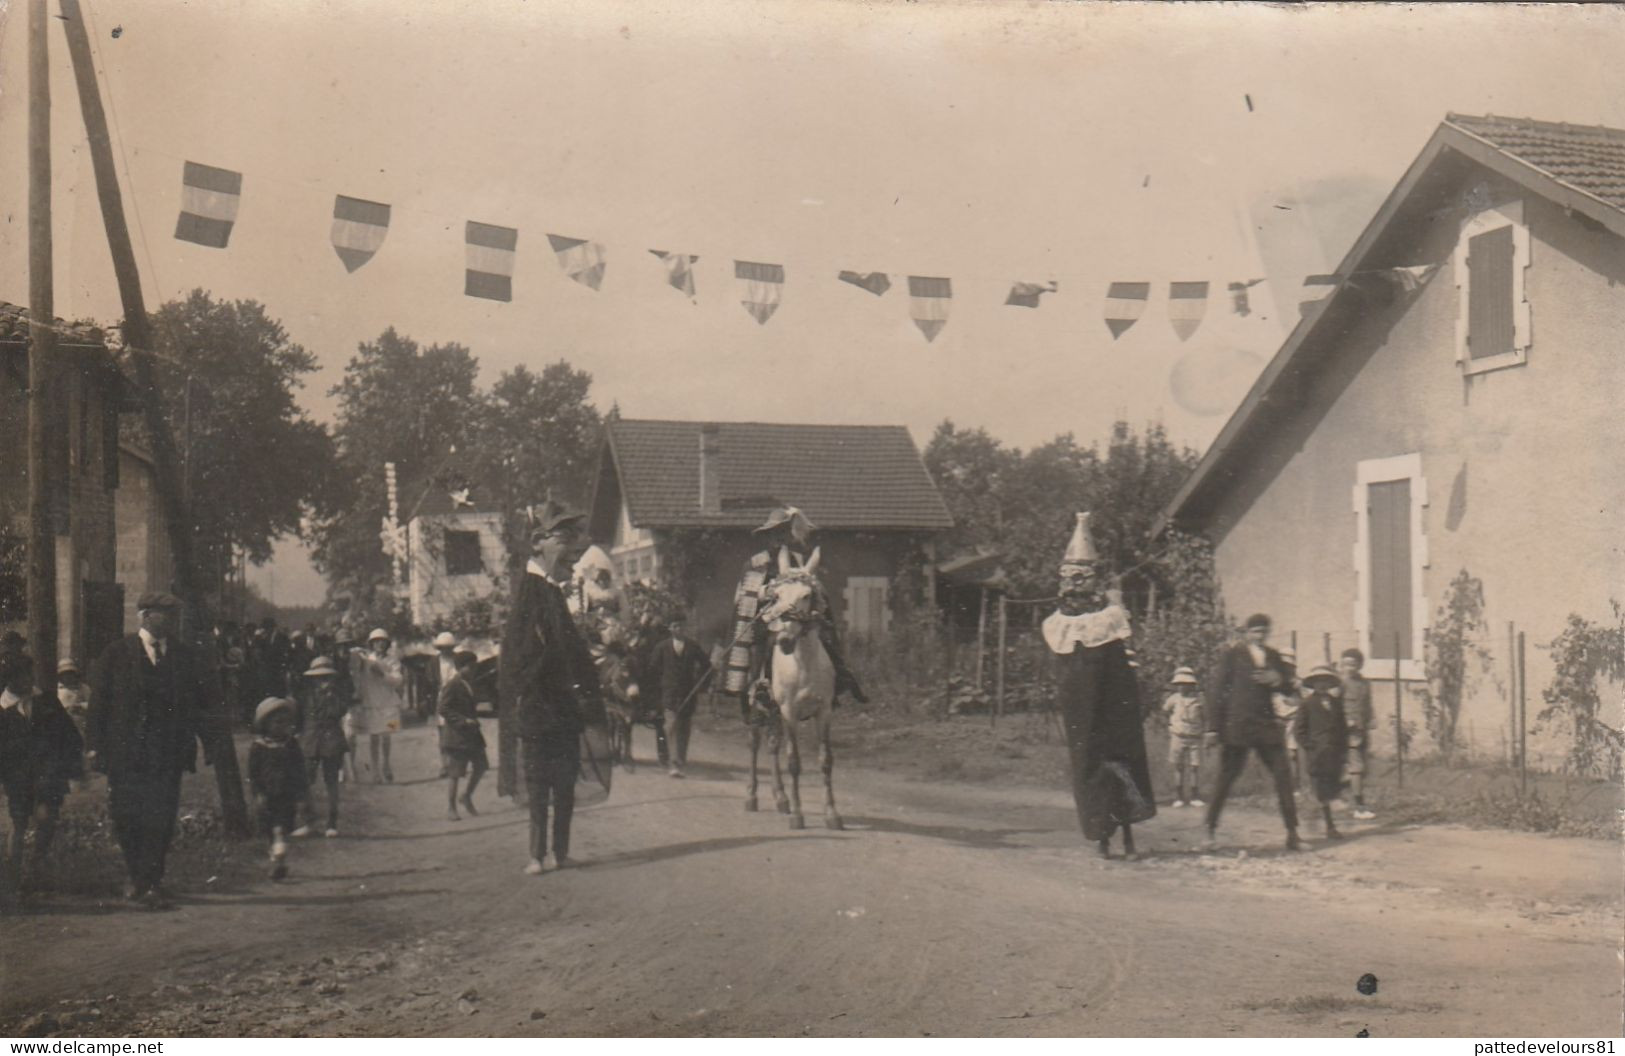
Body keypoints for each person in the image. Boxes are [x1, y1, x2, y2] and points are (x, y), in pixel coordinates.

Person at [87, 591, 213, 909]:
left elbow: (196, 706)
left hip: (167, 753)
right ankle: (137, 877)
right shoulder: (116, 654)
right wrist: (94, 747)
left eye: (174, 615)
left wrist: (201, 742)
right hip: (126, 752)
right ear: (146, 615)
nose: (171, 621)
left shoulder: (183, 657)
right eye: (164, 614)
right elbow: (98, 705)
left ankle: (152, 880)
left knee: (162, 816)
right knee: (127, 814)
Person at [500, 503, 606, 876]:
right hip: (537, 709)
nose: (572, 550)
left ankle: (560, 853)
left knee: (564, 785)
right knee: (538, 784)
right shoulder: (529, 592)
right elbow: (520, 656)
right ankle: (536, 855)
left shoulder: (552, 591)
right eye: (562, 540)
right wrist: (558, 667)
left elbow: (567, 649)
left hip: (561, 709)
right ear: (538, 543)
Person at [1045, 513, 1155, 860]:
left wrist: (1117, 605)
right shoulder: (1058, 624)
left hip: (1114, 704)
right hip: (1082, 710)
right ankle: (1103, 837)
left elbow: (1125, 659)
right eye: (1070, 579)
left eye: (1081, 578)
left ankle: (1128, 838)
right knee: (1092, 769)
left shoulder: (1109, 619)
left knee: (1122, 765)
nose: (1075, 585)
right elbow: (1061, 672)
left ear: (1091, 581)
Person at [722, 506, 868, 717]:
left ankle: (837, 682)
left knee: (826, 640)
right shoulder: (755, 563)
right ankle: (759, 688)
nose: (778, 538)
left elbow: (814, 587)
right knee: (762, 649)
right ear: (767, 536)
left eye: (782, 532)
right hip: (768, 619)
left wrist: (814, 598)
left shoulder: (799, 560)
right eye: (774, 534)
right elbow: (746, 596)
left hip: (800, 617)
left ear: (788, 534)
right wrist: (768, 591)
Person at [1203, 613, 1302, 852]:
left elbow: (1290, 688)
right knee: (1226, 778)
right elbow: (1216, 691)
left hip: (1266, 727)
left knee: (1283, 776)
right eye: (1255, 631)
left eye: (1263, 631)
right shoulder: (1232, 655)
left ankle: (1293, 833)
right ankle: (1209, 830)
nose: (1260, 635)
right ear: (1246, 633)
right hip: (1237, 727)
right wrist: (1213, 728)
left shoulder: (1274, 657)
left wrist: (1277, 679)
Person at [0, 654, 84, 900]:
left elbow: (70, 736)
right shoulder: (3, 709)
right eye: (20, 676)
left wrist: (69, 766)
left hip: (49, 774)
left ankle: (35, 867)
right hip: (17, 778)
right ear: (9, 679)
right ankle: (12, 877)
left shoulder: (46, 701)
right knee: (17, 823)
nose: (27, 680)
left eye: (29, 674)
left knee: (46, 818)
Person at [643, 615, 713, 778]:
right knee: (671, 724)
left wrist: (701, 684)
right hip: (669, 693)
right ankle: (673, 763)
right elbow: (652, 669)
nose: (679, 629)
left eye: (681, 626)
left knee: (684, 727)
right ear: (670, 628)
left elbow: (707, 666)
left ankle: (681, 760)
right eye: (675, 626)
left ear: (685, 628)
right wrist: (658, 688)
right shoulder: (662, 647)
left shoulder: (693, 646)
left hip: (688, 692)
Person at [248, 697, 306, 881]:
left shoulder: (291, 744)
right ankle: (277, 860)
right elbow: (253, 774)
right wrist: (257, 794)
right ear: (266, 724)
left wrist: (302, 793)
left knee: (281, 829)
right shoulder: (259, 747)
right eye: (277, 722)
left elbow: (299, 768)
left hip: (287, 793)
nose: (283, 726)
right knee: (270, 830)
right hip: (267, 794)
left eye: (286, 722)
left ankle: (278, 861)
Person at [1294, 664, 1349, 840]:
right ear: (1313, 685)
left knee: (1332, 787)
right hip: (1317, 754)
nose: (1322, 685)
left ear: (1330, 684)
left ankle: (1322, 820)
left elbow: (1342, 728)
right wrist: (1310, 746)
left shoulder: (1335, 703)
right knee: (1322, 790)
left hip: (1334, 753)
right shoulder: (1307, 704)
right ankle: (1329, 826)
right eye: (1318, 682)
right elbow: (1299, 730)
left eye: (1325, 681)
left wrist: (1343, 749)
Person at [298, 656, 348, 838]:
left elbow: (339, 711)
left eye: (326, 677)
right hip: (310, 741)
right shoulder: (306, 695)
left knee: (331, 782)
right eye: (318, 677)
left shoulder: (337, 695)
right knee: (305, 782)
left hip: (331, 741)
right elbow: (300, 716)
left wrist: (331, 696)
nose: (322, 681)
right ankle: (309, 821)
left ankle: (332, 822)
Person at [438, 650, 488, 820]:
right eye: (471, 666)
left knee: (481, 766)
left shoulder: (469, 683)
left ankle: (466, 796)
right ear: (462, 667)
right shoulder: (453, 684)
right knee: (455, 773)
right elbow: (443, 708)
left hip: (473, 735)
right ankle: (451, 808)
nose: (474, 669)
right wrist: (463, 721)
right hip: (457, 736)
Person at [349, 628, 404, 783]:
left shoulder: (393, 660)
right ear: (372, 644)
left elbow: (398, 680)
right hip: (372, 703)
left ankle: (386, 764)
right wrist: (359, 650)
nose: (380, 644)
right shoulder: (367, 659)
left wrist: (382, 674)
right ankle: (375, 771)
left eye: (383, 642)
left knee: (387, 736)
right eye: (376, 642)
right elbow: (352, 653)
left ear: (387, 644)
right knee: (374, 738)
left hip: (390, 705)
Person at [1339, 648, 1376, 820]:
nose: (1349, 668)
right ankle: (1359, 807)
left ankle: (1339, 791)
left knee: (1362, 769)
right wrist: (1345, 721)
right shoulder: (1340, 684)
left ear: (1360, 665)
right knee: (1357, 768)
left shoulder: (1364, 684)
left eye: (1353, 664)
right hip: (1347, 732)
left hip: (1361, 730)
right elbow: (1334, 707)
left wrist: (1371, 719)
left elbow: (1367, 705)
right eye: (1346, 664)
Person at [1162, 666, 1205, 808]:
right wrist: (1170, 726)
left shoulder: (1199, 699)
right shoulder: (1173, 699)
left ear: (1191, 685)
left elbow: (1205, 716)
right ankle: (1178, 796)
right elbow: (1165, 712)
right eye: (1179, 684)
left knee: (1194, 766)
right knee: (1178, 766)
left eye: (1185, 684)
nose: (1181, 687)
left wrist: (1203, 730)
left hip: (1194, 737)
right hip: (1178, 736)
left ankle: (1194, 796)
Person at [1273, 645, 1303, 795]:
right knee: (1278, 753)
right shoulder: (1274, 682)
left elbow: (1303, 700)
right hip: (1278, 718)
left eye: (1289, 665)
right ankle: (1281, 785)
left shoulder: (1297, 683)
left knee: (1292, 753)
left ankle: (1296, 785)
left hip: (1293, 718)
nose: (1286, 668)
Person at [431, 631, 459, 779]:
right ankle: (444, 765)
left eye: (449, 647)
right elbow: (429, 683)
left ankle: (455, 764)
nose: (446, 650)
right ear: (439, 648)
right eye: (443, 647)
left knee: (456, 730)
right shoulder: (434, 663)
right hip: (441, 698)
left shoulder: (458, 660)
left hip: (457, 699)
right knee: (442, 733)